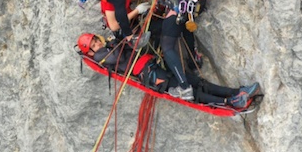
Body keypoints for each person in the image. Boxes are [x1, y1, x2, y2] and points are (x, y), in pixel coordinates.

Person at [77, 33, 260, 107]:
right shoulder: (101, 56)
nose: (98, 43)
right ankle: (232, 100)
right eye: (94, 44)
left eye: (96, 40)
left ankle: (237, 92)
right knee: (193, 93)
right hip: (153, 76)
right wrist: (117, 42)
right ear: (90, 51)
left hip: (154, 67)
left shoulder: (107, 47)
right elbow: (117, 58)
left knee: (196, 82)